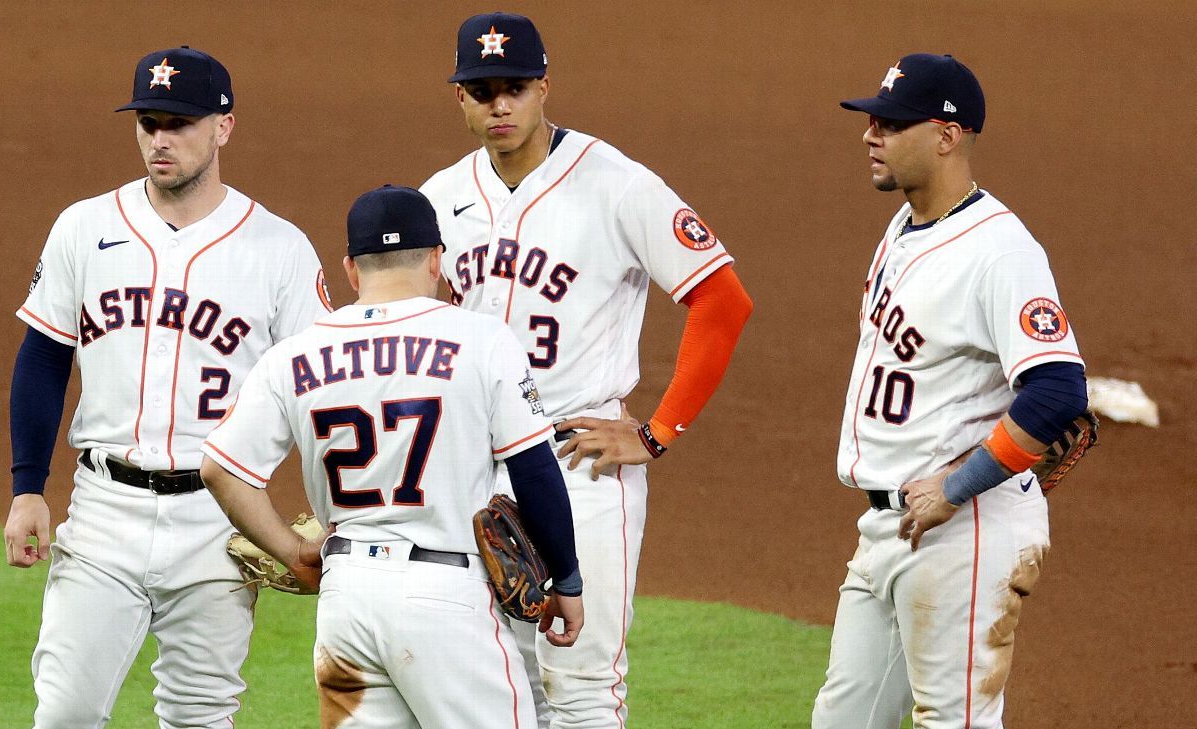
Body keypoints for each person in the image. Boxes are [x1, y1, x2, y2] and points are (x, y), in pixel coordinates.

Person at [418, 13, 754, 728]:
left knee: (582, 687)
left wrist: (659, 430)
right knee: (494, 688)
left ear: (544, 87)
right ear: (460, 98)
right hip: (470, 468)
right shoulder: (441, 196)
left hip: (576, 465)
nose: (499, 105)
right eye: (482, 91)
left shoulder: (617, 185)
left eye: (514, 87)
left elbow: (722, 299)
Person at [3, 46, 331, 729]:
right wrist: (27, 486)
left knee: (199, 717)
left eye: (179, 122)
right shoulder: (84, 227)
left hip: (220, 520)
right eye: (149, 121)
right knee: (63, 712)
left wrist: (334, 511)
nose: (160, 138)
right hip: (102, 513)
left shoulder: (279, 249)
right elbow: (43, 357)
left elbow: (323, 396)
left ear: (223, 127)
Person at [200, 184, 584, 728]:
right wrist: (566, 577)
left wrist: (293, 552)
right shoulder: (482, 340)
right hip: (448, 597)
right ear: (435, 259)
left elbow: (220, 469)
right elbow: (535, 472)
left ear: (352, 269)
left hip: (347, 600)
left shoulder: (293, 356)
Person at [812, 54, 1089, 729]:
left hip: (962, 526)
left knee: (956, 720)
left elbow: (1057, 390)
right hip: (888, 525)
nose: (870, 135)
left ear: (946, 135)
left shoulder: (1000, 252)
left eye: (891, 123)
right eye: (872, 121)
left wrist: (960, 482)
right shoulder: (903, 228)